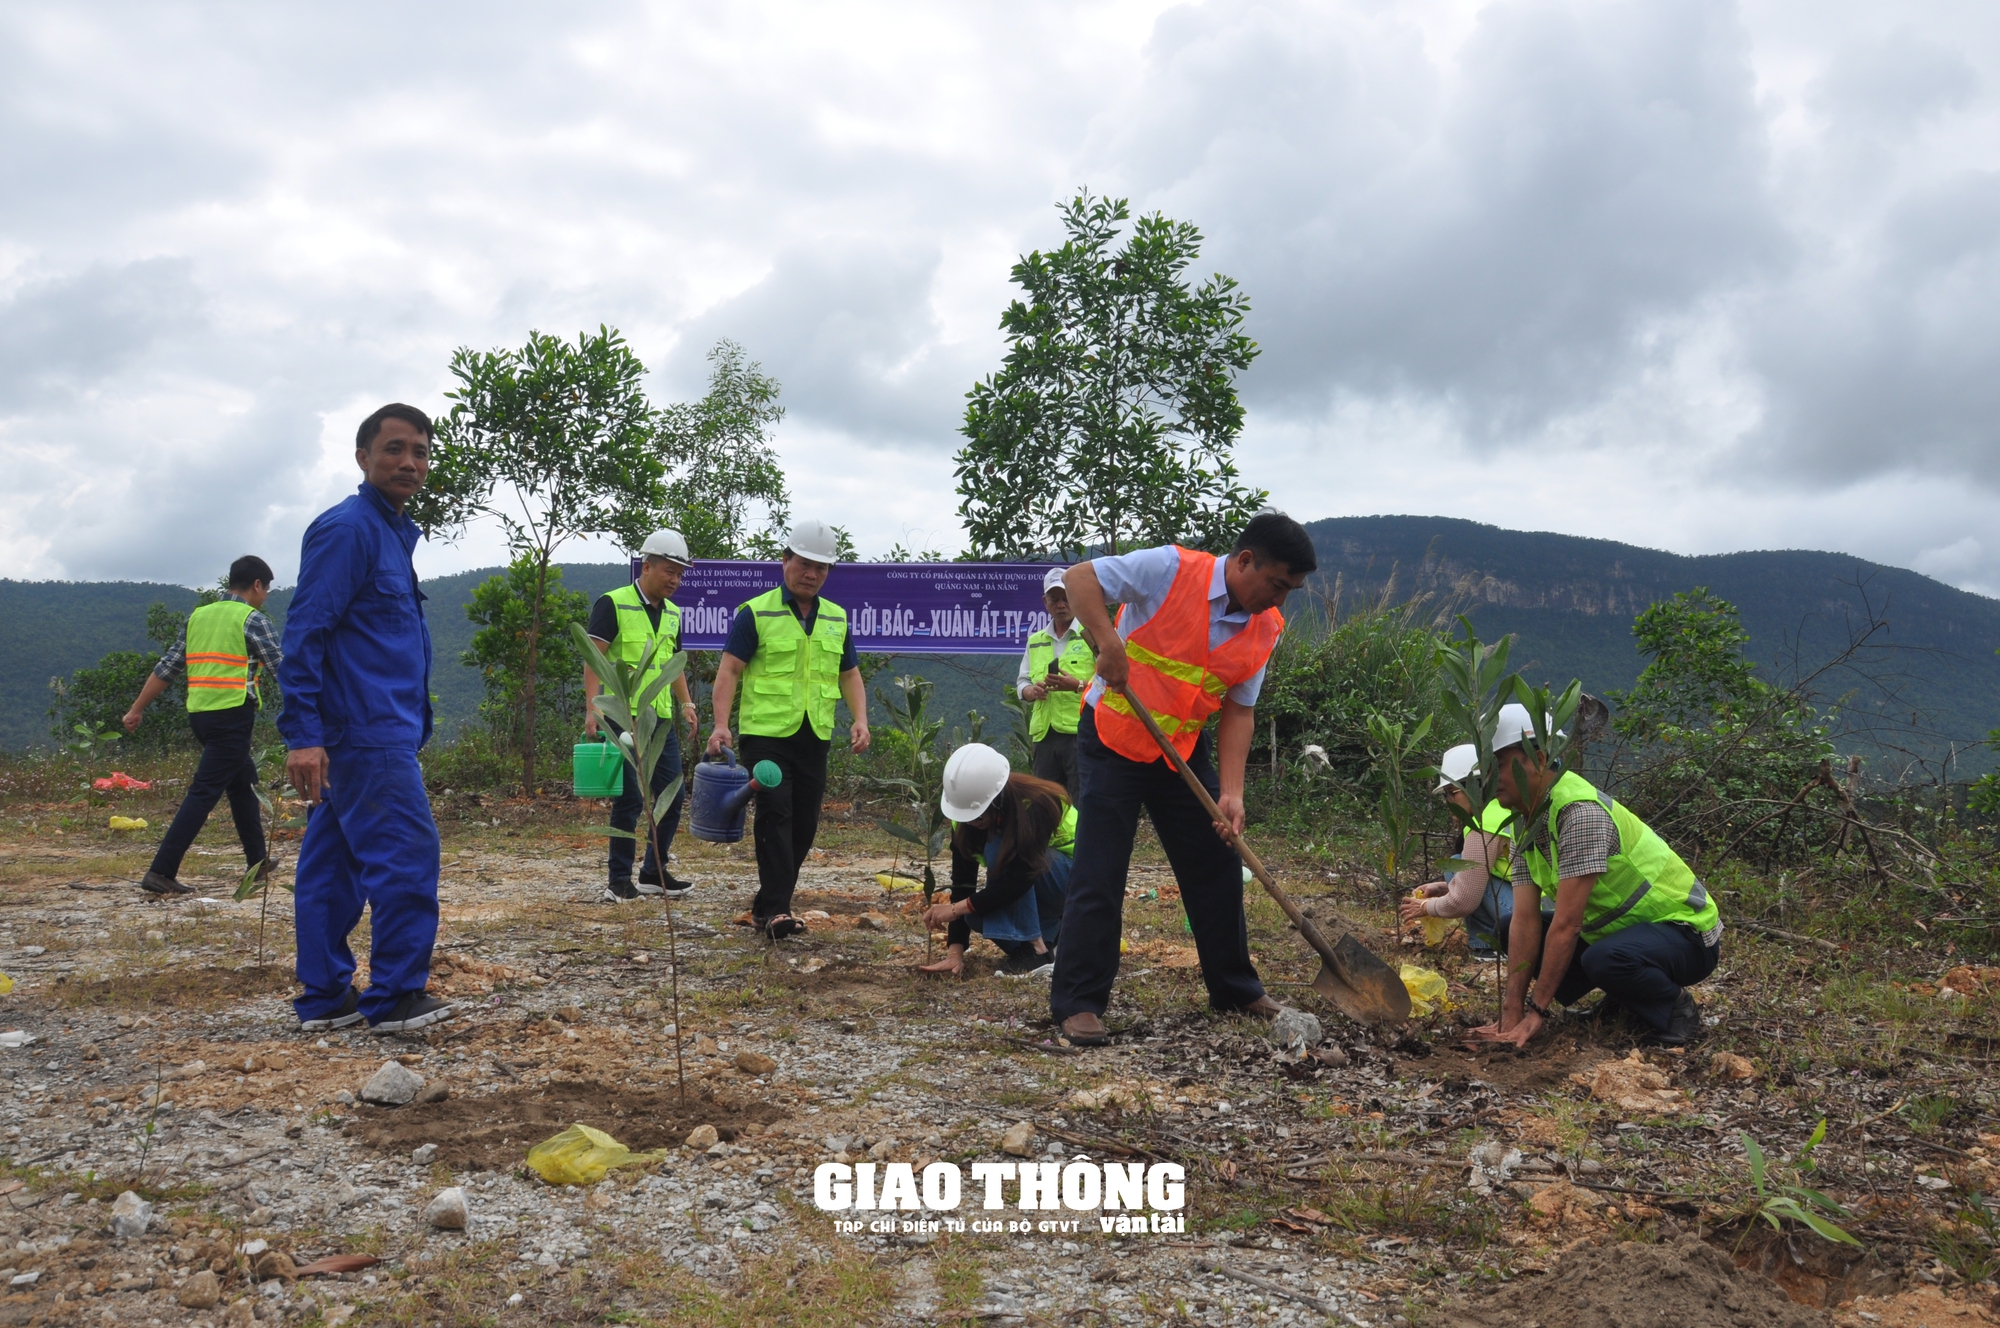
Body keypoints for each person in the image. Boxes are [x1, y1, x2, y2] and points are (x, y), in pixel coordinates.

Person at [1048, 510, 1316, 1046]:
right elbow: (1080, 578)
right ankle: (1078, 1003)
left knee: (1216, 862)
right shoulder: (1171, 569)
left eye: (1291, 591)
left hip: (1178, 751)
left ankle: (1236, 988)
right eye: (1276, 584)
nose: (1279, 600)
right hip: (1113, 737)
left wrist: (1232, 793)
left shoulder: (1265, 628)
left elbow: (1240, 710)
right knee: (1100, 869)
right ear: (1244, 561)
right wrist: (1108, 642)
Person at [278, 403, 453, 1035]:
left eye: (421, 452)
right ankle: (396, 999)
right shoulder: (350, 529)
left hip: (374, 729)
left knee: (332, 865)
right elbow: (305, 633)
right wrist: (302, 735)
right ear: (363, 457)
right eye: (394, 449)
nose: (409, 462)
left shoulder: (390, 533)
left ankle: (325, 998)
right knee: (407, 854)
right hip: (364, 731)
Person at [1468, 703, 1723, 1051]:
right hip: (1621, 934)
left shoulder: (1579, 815)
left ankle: (1675, 1010)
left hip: (1685, 933)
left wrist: (1537, 1011)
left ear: (1540, 759)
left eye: (1499, 766)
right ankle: (1625, 997)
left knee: (1604, 959)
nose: (1490, 779)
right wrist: (1511, 1012)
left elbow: (1568, 924)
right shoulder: (1524, 819)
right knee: (1508, 923)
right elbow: (1526, 919)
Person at [706, 519, 871, 938]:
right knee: (775, 814)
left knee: (803, 826)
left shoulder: (835, 618)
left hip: (814, 735)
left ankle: (764, 905)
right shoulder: (755, 613)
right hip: (766, 736)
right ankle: (779, 911)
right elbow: (729, 671)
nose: (812, 573)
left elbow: (849, 674)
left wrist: (860, 719)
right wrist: (721, 724)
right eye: (804, 563)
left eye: (821, 567)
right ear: (785, 562)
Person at [124, 556, 284, 896]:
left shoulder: (199, 616)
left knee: (244, 784)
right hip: (232, 715)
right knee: (203, 793)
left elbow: (168, 667)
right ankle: (161, 871)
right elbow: (283, 671)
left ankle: (257, 863)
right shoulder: (252, 619)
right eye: (266, 589)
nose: (265, 596)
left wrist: (137, 708)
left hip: (201, 716)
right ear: (257, 585)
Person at [584, 529, 701, 902]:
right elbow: (594, 657)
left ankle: (654, 871)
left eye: (680, 574)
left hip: (659, 719)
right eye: (669, 571)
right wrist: (593, 709)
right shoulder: (613, 603)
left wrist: (686, 704)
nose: (675, 580)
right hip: (621, 716)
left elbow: (674, 665)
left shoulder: (672, 615)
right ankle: (618, 879)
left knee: (672, 793)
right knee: (631, 798)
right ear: (646, 566)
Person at [917, 744, 1075, 978]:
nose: (972, 822)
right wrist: (955, 952)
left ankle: (1035, 950)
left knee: (999, 847)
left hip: (1071, 881)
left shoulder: (1037, 802)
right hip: (1034, 886)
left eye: (978, 814)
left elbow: (1021, 876)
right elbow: (963, 883)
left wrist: (953, 909)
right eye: (966, 816)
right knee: (974, 915)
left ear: (997, 798)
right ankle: (1048, 942)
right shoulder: (964, 823)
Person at [1397, 743, 1516, 957]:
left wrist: (1424, 908)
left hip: (1527, 917)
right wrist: (1444, 887)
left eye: (1453, 793)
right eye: (1446, 795)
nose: (1450, 802)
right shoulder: (1504, 809)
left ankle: (1492, 948)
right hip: (1541, 909)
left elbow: (1464, 901)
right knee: (1457, 865)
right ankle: (1489, 947)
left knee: (1458, 863)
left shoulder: (1485, 822)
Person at [1016, 567, 1094, 800]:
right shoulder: (1035, 640)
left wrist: (1078, 685)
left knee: (1082, 800)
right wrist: (1031, 691)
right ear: (1045, 602)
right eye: (1055, 599)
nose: (1061, 604)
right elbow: (1022, 681)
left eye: (1066, 598)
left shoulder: (1092, 635)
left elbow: (1112, 684)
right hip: (1044, 737)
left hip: (1081, 733)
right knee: (1045, 801)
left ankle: (1081, 839)